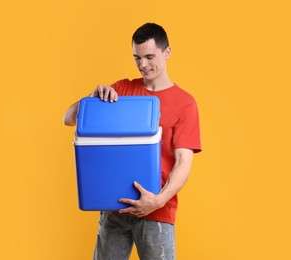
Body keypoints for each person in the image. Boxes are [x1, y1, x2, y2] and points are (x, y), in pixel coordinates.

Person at [63, 23, 201, 259]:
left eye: (149, 57)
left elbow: (183, 162)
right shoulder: (121, 90)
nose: (142, 65)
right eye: (137, 57)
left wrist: (157, 201)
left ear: (167, 53)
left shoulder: (185, 103)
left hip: (157, 213)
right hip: (115, 208)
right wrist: (91, 99)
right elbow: (68, 119)